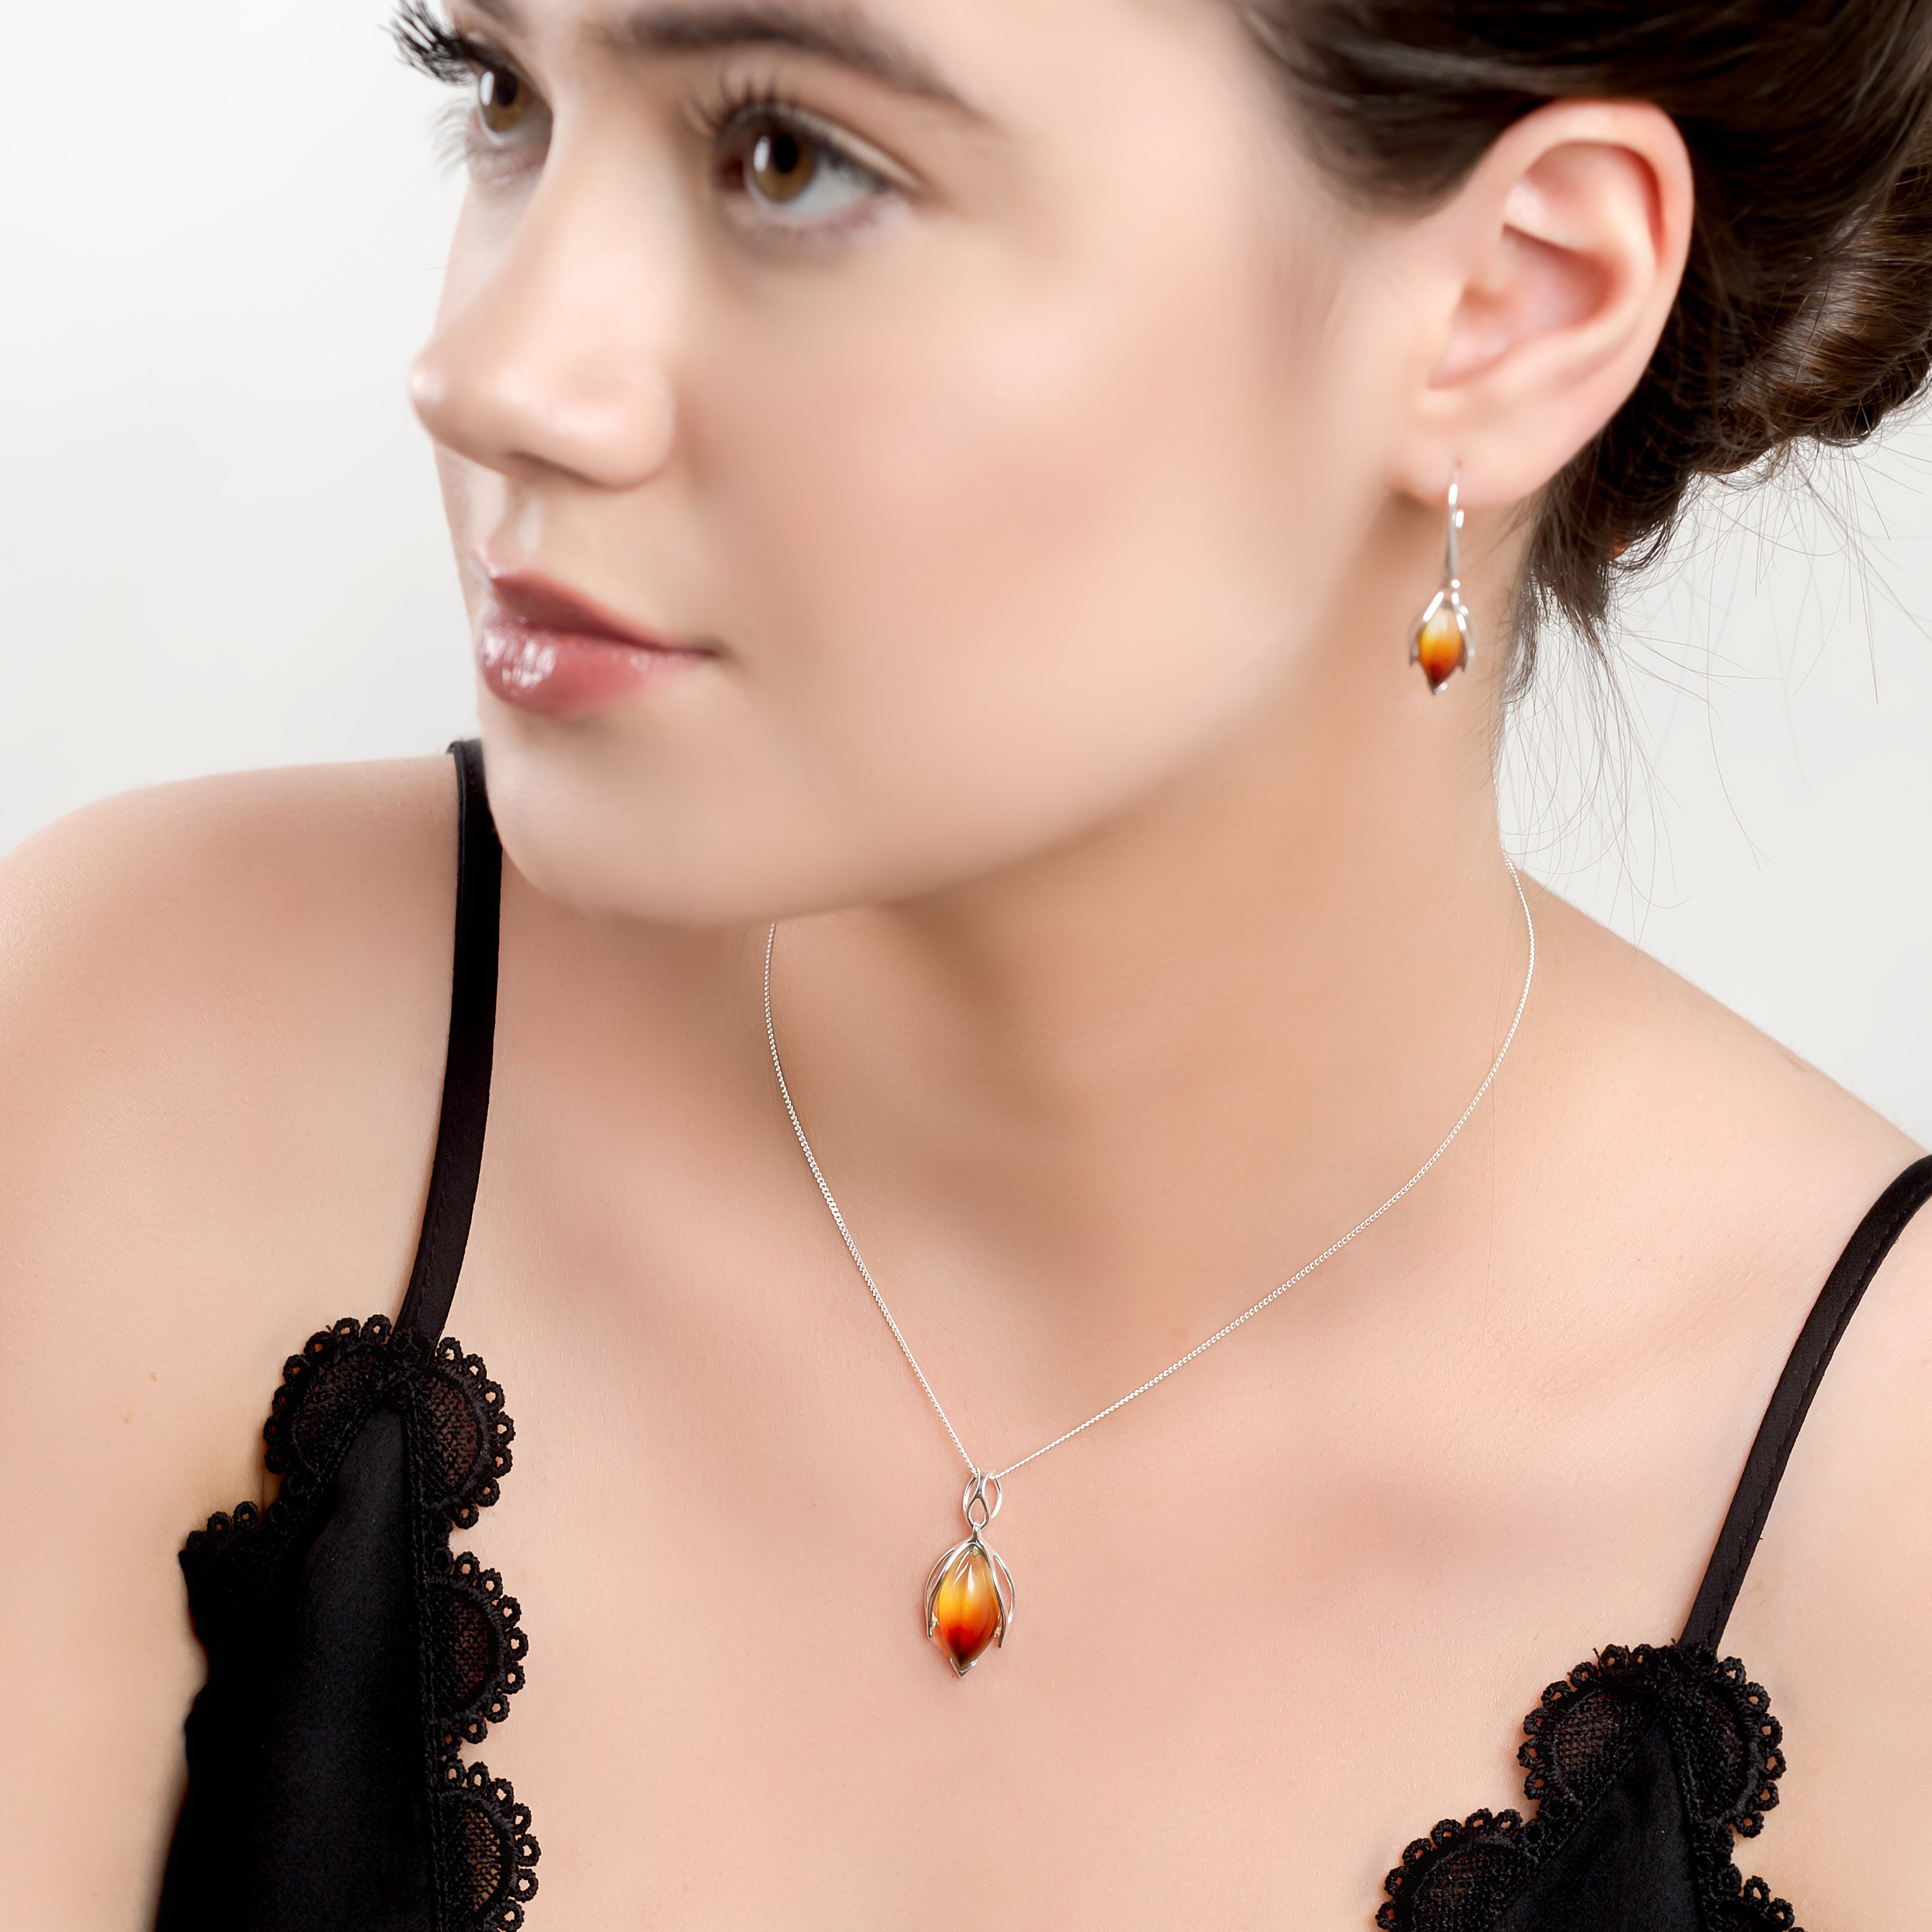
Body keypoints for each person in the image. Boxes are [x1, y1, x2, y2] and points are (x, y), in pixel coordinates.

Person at [4, 0, 1930, 1924]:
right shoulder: (159, 1066)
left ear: (1513, 304)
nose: (489, 373)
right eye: (503, 91)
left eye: (789, 158)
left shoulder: (1881, 1533)